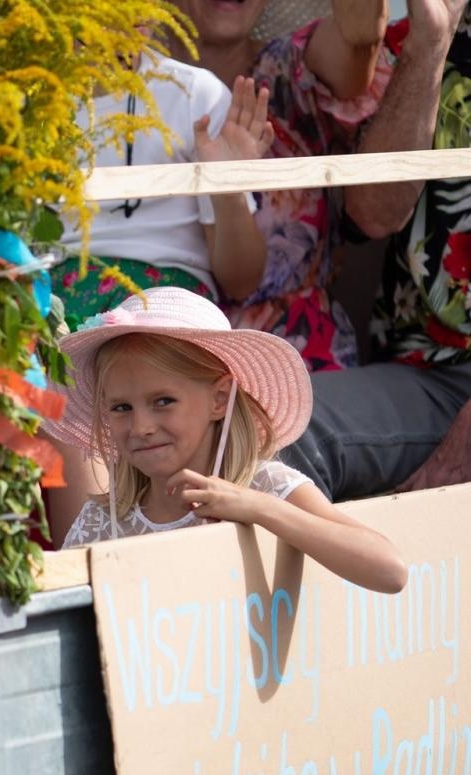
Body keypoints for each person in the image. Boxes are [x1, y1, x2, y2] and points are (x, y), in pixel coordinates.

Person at [43, 288, 406, 594]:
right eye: (121, 407)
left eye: (163, 401)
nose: (141, 427)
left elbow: (389, 570)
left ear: (219, 400)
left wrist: (258, 508)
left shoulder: (263, 486)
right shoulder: (105, 518)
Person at [283, 0, 471, 500]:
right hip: (430, 377)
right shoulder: (419, 36)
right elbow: (372, 212)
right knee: (280, 436)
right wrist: (431, 44)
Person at [162, 0, 392, 371]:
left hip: (294, 353)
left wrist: (364, 32)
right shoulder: (130, 88)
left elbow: (355, 49)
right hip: (156, 358)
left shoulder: (290, 68)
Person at [62, 64, 271, 320]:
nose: (136, 22)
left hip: (169, 304)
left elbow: (240, 283)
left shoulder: (194, 92)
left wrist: (229, 193)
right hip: (51, 294)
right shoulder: (26, 99)